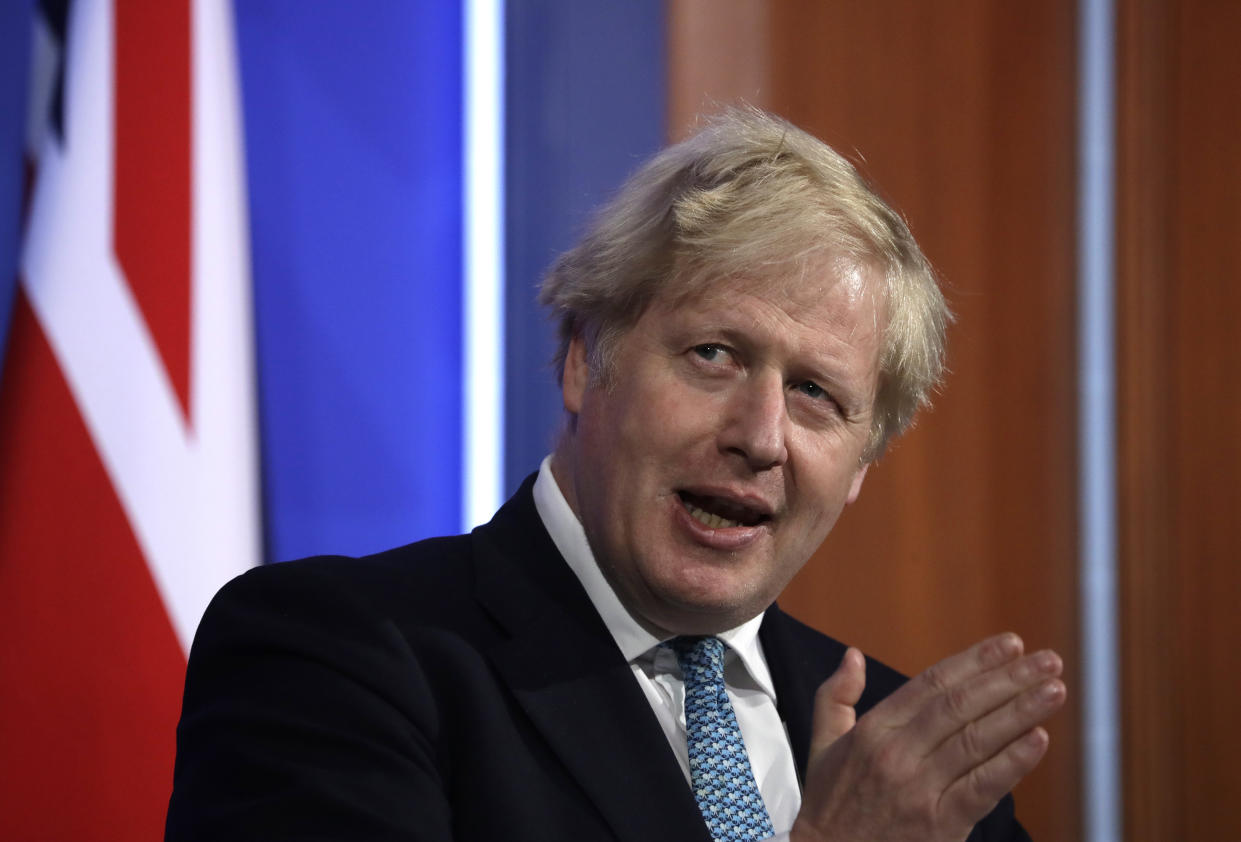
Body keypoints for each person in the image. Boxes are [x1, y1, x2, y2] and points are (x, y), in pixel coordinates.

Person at [165, 107, 1065, 842]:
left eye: (816, 394)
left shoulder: (917, 766)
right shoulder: (335, 656)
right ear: (580, 362)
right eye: (713, 354)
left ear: (863, 464)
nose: (760, 435)